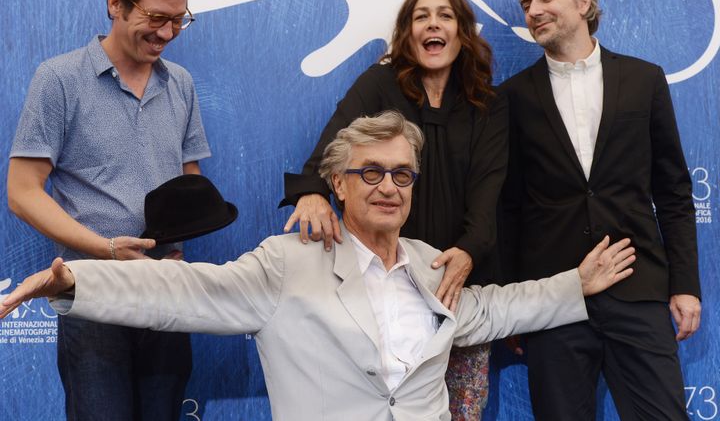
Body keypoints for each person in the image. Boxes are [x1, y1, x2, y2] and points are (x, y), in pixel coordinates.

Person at [3, 112, 635, 421]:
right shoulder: (288, 264)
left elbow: (494, 308)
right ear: (338, 183)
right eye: (371, 172)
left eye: (402, 174)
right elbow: (184, 288)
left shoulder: (428, 264)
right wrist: (75, 280)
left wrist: (576, 284)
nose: (389, 186)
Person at [280, 0, 505, 419]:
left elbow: (489, 192)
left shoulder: (488, 105)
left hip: (460, 285)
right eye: (421, 16)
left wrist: (469, 253)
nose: (433, 24)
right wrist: (310, 193)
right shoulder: (378, 84)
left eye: (445, 15)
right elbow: (329, 155)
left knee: (460, 413)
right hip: (389, 284)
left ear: (462, 32)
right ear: (407, 32)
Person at [6, 0, 210, 419]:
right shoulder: (58, 79)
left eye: (179, 20)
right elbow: (22, 191)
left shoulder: (180, 83)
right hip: (92, 292)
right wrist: (106, 249)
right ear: (115, 3)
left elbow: (188, 178)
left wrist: (183, 235)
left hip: (166, 290)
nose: (167, 34)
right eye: (156, 17)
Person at [500, 0, 701, 420]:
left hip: (639, 289)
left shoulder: (644, 79)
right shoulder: (511, 97)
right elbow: (508, 208)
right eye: (526, 2)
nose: (533, 10)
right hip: (554, 299)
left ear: (583, 0)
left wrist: (685, 285)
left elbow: (672, 190)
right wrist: (515, 301)